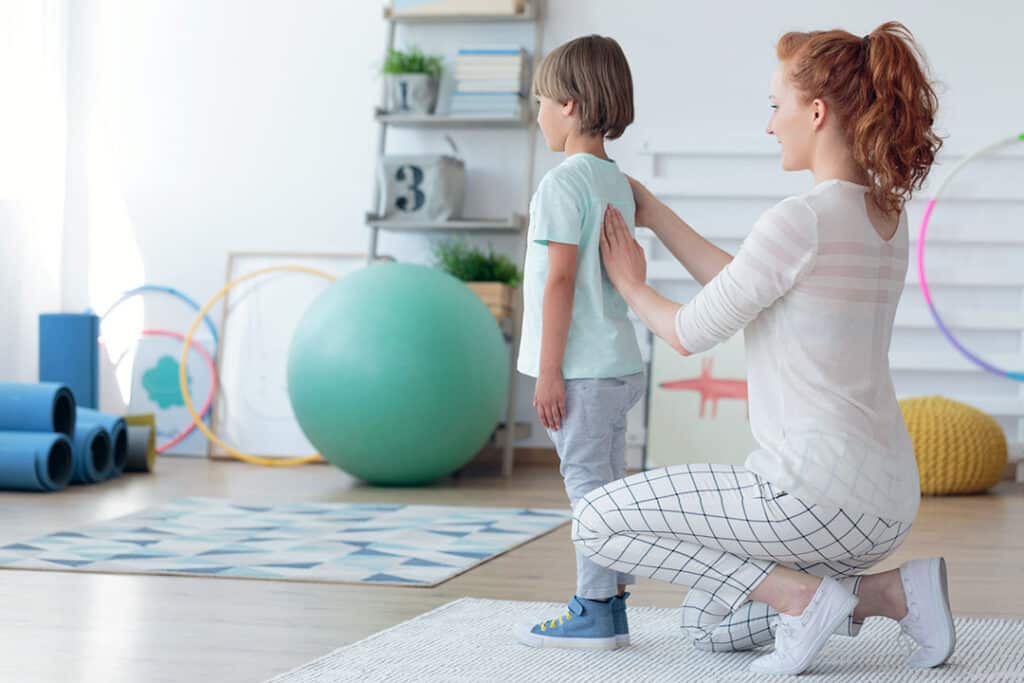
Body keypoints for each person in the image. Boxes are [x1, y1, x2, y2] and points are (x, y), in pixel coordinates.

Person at [575, 22, 954, 675]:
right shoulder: (885, 218)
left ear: (816, 111)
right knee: (707, 622)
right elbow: (749, 286)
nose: (770, 124)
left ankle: (804, 598)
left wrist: (632, 284)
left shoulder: (800, 220)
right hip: (885, 504)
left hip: (809, 494)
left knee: (595, 519)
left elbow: (689, 331)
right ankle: (887, 590)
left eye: (776, 106)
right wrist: (656, 213)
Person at [513, 34, 645, 650]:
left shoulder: (561, 184)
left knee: (589, 493)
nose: (535, 112)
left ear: (567, 105)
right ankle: (613, 602)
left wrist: (547, 373)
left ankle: (593, 608)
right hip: (620, 365)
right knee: (610, 489)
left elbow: (560, 279)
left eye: (539, 100)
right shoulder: (616, 181)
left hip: (582, 372)